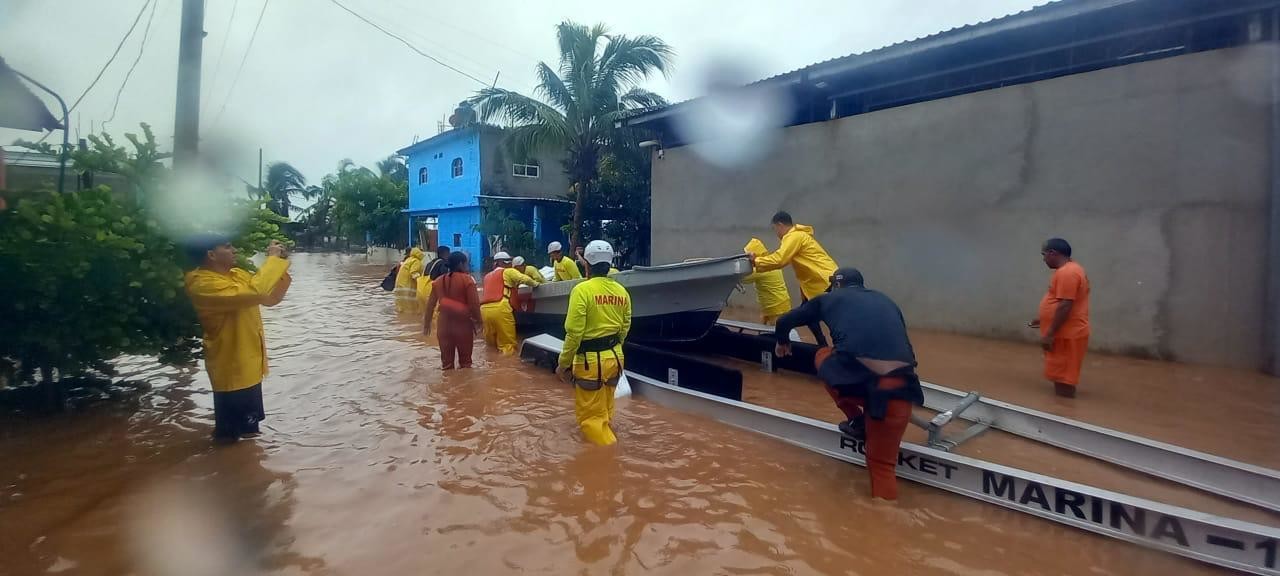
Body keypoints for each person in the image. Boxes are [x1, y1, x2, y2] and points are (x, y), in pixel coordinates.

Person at [775, 267, 922, 501]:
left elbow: (784, 321)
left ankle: (855, 418)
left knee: (822, 355)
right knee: (883, 466)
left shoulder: (827, 299)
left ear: (836, 285)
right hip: (902, 389)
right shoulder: (886, 300)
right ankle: (888, 522)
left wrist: (782, 343)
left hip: (861, 386)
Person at [183, 236, 293, 442]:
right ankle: (228, 470)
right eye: (227, 247)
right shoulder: (203, 284)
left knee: (250, 434)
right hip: (231, 369)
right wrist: (272, 260)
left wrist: (280, 267)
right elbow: (256, 290)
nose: (234, 250)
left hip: (249, 365)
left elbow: (269, 298)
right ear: (211, 255)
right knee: (230, 439)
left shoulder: (237, 275)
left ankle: (247, 469)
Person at [558, 240, 632, 446]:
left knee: (590, 419)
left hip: (590, 363)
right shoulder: (621, 291)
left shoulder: (582, 291)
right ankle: (608, 440)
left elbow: (574, 333)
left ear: (587, 264)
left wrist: (563, 363)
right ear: (609, 264)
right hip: (615, 359)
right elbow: (625, 327)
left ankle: (608, 460)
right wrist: (615, 350)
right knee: (606, 411)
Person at [749, 211, 838, 346]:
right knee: (810, 316)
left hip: (825, 283)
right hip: (818, 284)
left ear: (779, 225)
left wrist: (756, 261)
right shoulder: (799, 236)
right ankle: (823, 346)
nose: (776, 233)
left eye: (774, 229)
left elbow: (780, 259)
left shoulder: (794, 236)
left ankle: (840, 351)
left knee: (831, 318)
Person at [1030, 238, 1091, 398]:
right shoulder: (1070, 269)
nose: (1043, 259)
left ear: (1053, 253)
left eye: (1044, 255)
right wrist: (1043, 319)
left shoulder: (1067, 273)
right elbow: (1062, 303)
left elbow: (1065, 305)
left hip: (1065, 335)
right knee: (1061, 376)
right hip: (1065, 333)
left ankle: (1065, 416)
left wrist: (1049, 333)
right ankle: (1063, 411)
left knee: (1064, 382)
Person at [424, 252, 483, 369]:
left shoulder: (437, 281)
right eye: (467, 263)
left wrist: (427, 324)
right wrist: (479, 322)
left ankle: (447, 386)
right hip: (462, 326)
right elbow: (474, 305)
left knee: (446, 365)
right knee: (466, 364)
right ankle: (463, 387)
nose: (468, 266)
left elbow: (430, 305)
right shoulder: (468, 280)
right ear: (461, 264)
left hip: (443, 326)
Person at [480, 251, 540, 355]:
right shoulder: (508, 271)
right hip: (500, 308)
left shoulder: (487, 276)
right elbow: (524, 279)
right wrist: (536, 284)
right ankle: (507, 368)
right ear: (504, 263)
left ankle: (491, 365)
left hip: (484, 311)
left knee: (491, 346)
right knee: (508, 346)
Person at [741, 238, 792, 325]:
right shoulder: (768, 262)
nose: (747, 258)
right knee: (763, 329)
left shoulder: (761, 268)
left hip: (776, 307)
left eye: (748, 256)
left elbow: (744, 279)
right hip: (774, 306)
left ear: (755, 254)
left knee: (775, 334)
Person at [394, 247, 424, 313]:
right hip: (407, 287)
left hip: (399, 287)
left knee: (401, 307)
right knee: (411, 308)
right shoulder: (416, 261)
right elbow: (414, 273)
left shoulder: (408, 260)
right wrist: (421, 283)